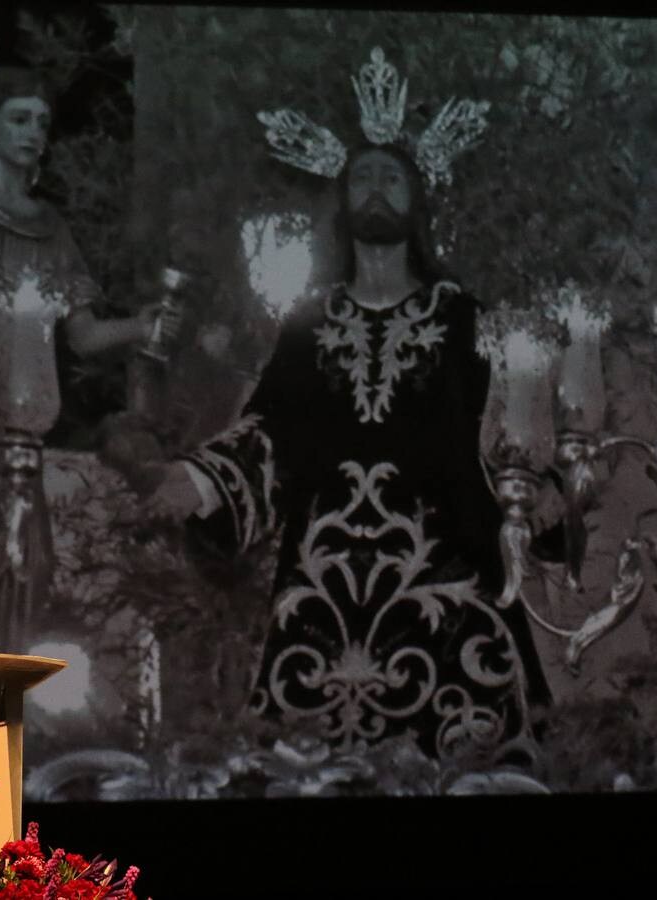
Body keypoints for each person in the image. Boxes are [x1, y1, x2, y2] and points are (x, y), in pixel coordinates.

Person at [142, 140, 552, 760]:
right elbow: (269, 429)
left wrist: (543, 489)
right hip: (323, 594)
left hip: (453, 587)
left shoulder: (467, 318)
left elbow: (509, 433)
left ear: (417, 202)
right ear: (342, 202)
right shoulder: (309, 322)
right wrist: (199, 481)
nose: (378, 187)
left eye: (393, 176)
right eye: (363, 177)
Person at [0, 29, 170, 652]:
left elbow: (81, 334)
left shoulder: (50, 227)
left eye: (42, 123)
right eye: (18, 118)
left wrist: (143, 327)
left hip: (20, 402)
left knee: (32, 557)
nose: (32, 133)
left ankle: (4, 697)